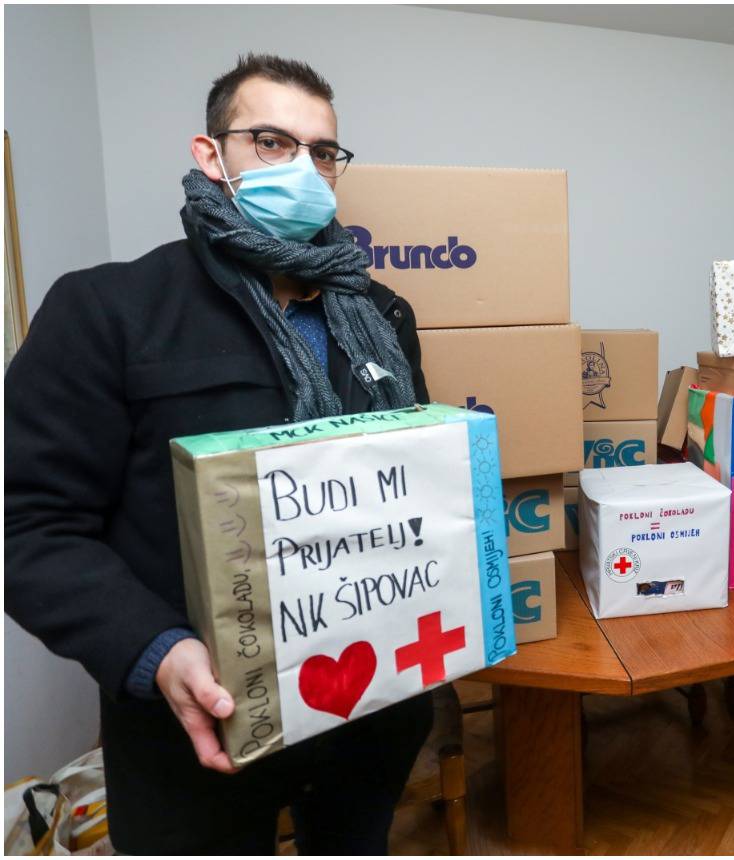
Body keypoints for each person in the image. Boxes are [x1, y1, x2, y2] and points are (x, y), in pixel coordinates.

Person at [5, 54, 432, 854]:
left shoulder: (383, 313)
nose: (303, 168)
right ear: (212, 156)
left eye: (322, 151)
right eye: (272, 141)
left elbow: (413, 484)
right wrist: (157, 652)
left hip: (369, 707)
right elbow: (27, 525)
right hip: (194, 730)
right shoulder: (108, 310)